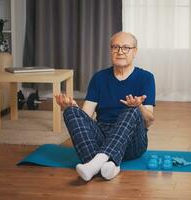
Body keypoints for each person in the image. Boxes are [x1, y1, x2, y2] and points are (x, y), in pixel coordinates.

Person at [55, 32, 155, 181]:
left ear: (135, 51)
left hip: (132, 142)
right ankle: (109, 165)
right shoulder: (99, 78)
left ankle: (94, 163)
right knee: (70, 112)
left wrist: (139, 106)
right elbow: (86, 117)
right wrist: (73, 108)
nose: (120, 51)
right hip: (102, 135)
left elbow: (149, 121)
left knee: (132, 109)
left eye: (126, 48)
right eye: (115, 47)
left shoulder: (146, 77)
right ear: (110, 50)